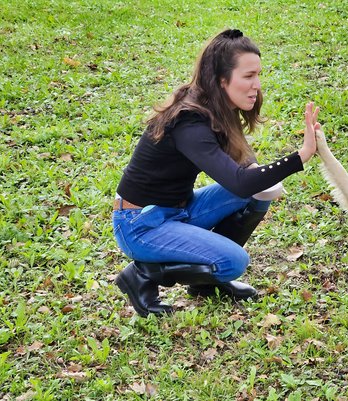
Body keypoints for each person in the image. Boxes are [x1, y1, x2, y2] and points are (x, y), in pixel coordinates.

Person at [112, 28, 321, 317]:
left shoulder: (217, 107)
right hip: (140, 224)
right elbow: (239, 182)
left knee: (257, 197)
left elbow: (247, 170)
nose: (257, 85)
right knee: (234, 261)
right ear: (222, 80)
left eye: (258, 75)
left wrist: (262, 172)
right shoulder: (190, 122)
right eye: (248, 76)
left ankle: (206, 284)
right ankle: (141, 275)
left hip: (178, 210)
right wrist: (300, 156)